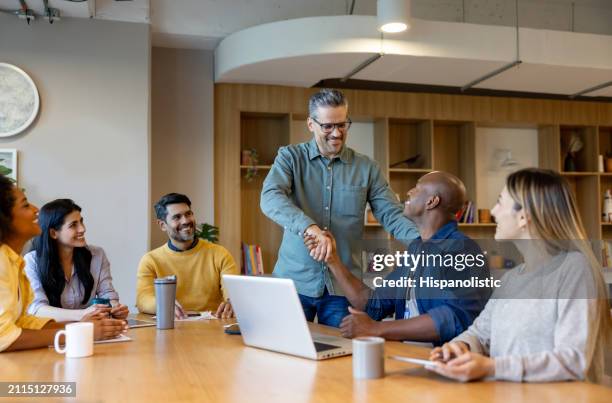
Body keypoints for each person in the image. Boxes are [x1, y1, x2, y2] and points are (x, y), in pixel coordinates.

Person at [429, 168, 612, 383]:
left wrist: (492, 367)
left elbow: (575, 360)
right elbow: (480, 334)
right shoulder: (511, 278)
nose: (494, 211)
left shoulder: (575, 269)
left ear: (524, 216)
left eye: (500, 202)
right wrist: (459, 346)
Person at [261, 88, 419, 327]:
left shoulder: (367, 167)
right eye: (327, 126)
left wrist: (425, 244)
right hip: (294, 283)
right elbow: (270, 197)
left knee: (341, 356)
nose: (336, 133)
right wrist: (310, 228)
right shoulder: (290, 157)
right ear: (311, 124)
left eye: (343, 125)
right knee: (286, 355)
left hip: (342, 285)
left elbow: (391, 214)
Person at [305, 171, 490, 344]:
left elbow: (455, 318)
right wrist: (333, 260)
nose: (409, 192)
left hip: (442, 362)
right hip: (405, 355)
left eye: (417, 188)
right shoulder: (417, 249)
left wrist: (377, 329)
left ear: (431, 201)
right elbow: (372, 304)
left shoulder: (462, 250)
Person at [0, 176, 126, 352]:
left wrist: (84, 327)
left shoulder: (13, 260)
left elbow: (25, 322)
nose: (36, 210)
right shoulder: (11, 262)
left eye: (81, 222)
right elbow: (4, 337)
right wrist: (81, 332)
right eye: (26, 205)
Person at [136, 193, 238, 319]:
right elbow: (143, 298)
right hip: (171, 326)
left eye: (188, 214)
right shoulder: (150, 260)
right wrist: (163, 305)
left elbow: (232, 292)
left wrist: (231, 301)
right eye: (177, 217)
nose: (185, 221)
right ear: (162, 225)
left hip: (213, 327)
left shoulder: (220, 254)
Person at [24, 199, 128, 322]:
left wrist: (115, 307)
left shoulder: (97, 255)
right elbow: (37, 310)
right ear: (53, 233)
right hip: (54, 334)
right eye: (73, 225)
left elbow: (107, 294)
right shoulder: (31, 261)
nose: (82, 229)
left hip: (91, 331)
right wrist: (83, 315)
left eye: (81, 221)